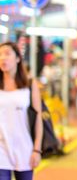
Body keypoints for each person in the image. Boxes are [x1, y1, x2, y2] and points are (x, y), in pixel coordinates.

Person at [0, 42, 43, 180]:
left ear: (18, 58)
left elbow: (38, 119)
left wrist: (37, 149)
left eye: (7, 53)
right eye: (0, 55)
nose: (2, 58)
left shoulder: (29, 85)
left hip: (25, 150)